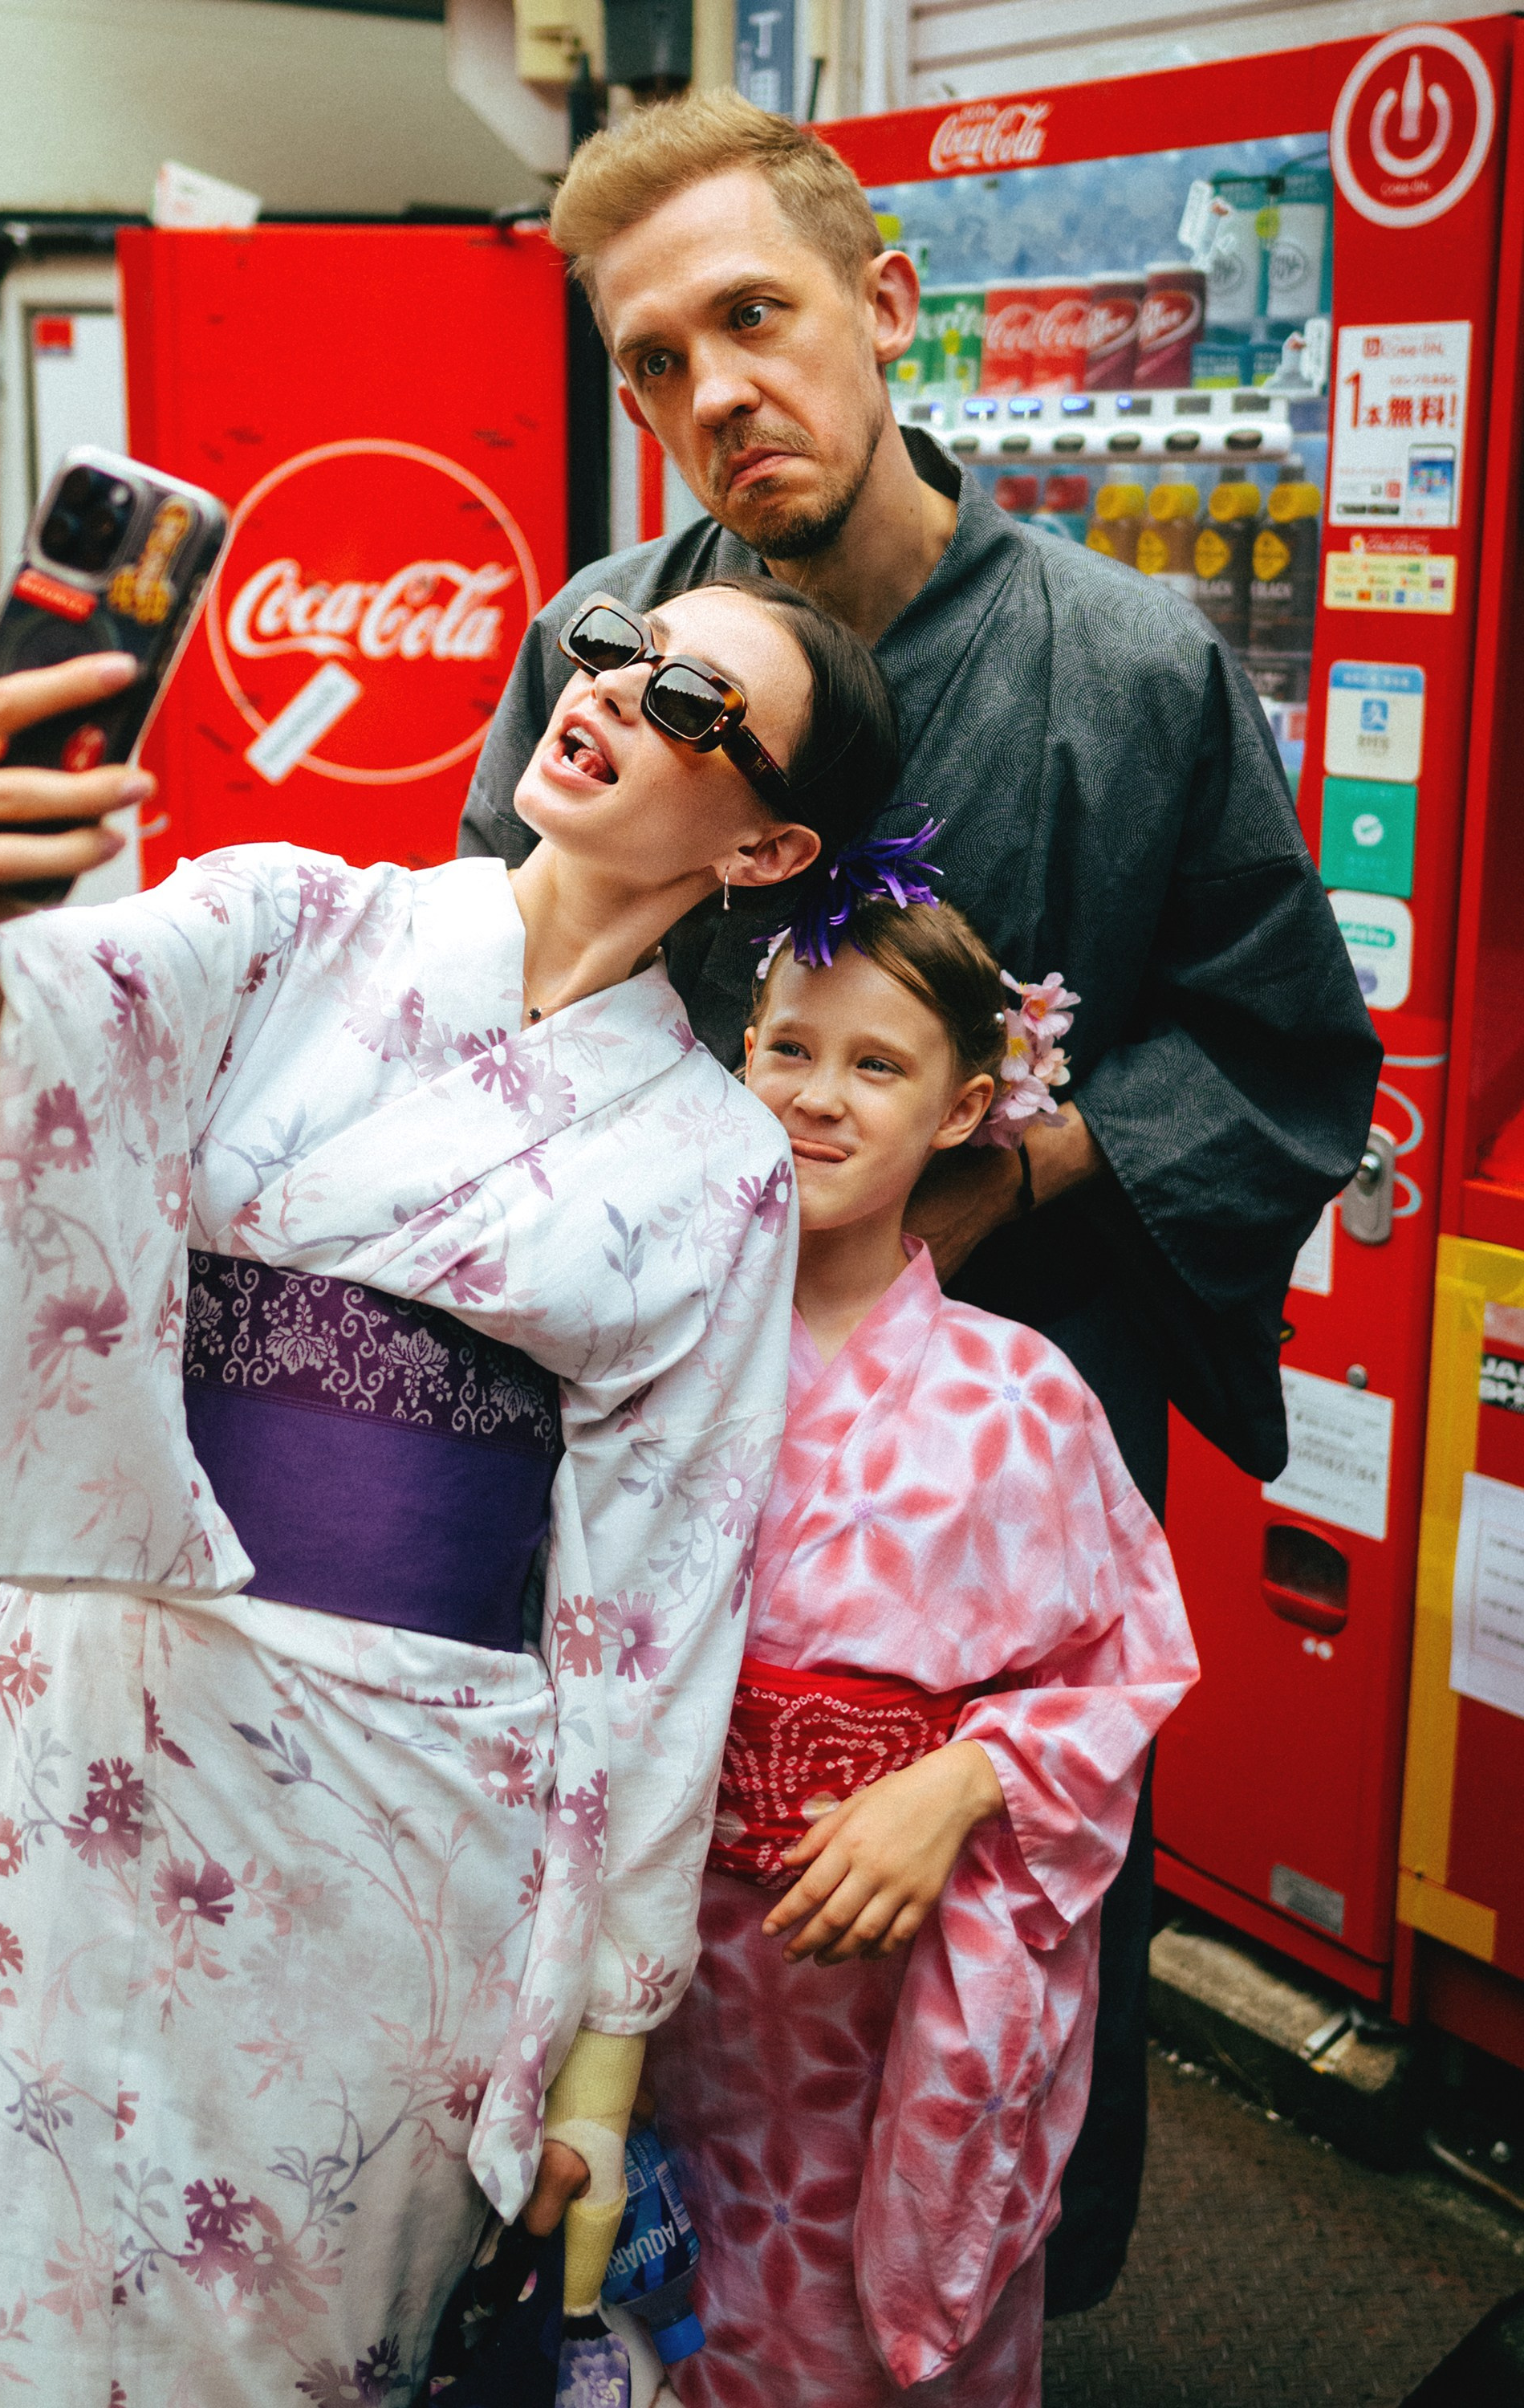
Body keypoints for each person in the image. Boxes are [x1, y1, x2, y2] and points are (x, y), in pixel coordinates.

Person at [459, 89, 1381, 2311]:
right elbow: (491, 992)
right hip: (655, 1421)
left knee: (985, 1937)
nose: (711, 398)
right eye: (654, 364)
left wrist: (988, 1184)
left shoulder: (1131, 665)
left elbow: (1282, 1048)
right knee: (641, 1936)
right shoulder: (612, 635)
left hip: (999, 1452)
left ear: (882, 309)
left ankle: (972, 2304)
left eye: (754, 321)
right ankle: (634, 2296)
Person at [0, 576, 889, 2402]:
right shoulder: (299, 916)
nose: (608, 689)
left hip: (420, 1808)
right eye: (605, 650)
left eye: (688, 698)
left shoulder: (716, 1165)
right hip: (124, 1724)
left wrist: (598, 2080)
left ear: (766, 841)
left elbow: (660, 1625)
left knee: (292, 2311)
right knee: (37, 2270)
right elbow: (36, 1030)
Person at [646, 877, 1197, 2406]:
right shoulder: (642, 1346)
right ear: (735, 1057)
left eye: (877, 1067)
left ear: (966, 1108)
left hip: (895, 2011)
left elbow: (1126, 1668)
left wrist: (960, 1784)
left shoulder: (1023, 1394)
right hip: (658, 1981)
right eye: (788, 1052)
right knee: (639, 2311)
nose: (819, 1100)